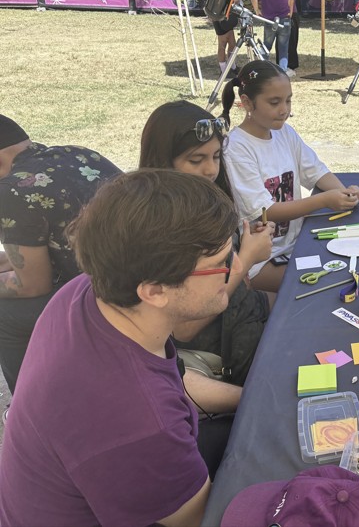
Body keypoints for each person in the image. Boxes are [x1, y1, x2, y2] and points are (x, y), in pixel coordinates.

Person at [0, 170, 245, 525]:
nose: (238, 266)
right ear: (154, 291)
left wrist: (249, 398)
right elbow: (202, 520)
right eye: (221, 263)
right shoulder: (141, 422)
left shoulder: (87, 292)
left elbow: (170, 382)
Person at [139, 101, 274, 385]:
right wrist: (246, 258)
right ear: (163, 161)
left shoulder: (205, 202)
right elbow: (184, 329)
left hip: (245, 316)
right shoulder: (161, 228)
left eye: (216, 156)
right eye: (196, 160)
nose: (211, 169)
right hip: (226, 355)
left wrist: (243, 244)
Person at [221, 60, 359, 293]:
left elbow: (316, 171)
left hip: (295, 245)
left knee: (349, 269)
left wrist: (344, 192)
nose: (284, 110)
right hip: (259, 262)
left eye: (288, 100)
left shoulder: (285, 133)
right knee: (331, 283)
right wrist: (325, 200)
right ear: (247, 102)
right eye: (274, 102)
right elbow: (265, 211)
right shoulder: (236, 149)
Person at [0, 114, 120, 394]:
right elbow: (38, 253)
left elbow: (32, 284)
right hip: (137, 273)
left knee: (5, 314)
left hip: (110, 296)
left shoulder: (11, 190)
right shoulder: (76, 153)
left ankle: (28, 406)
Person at [250, 0, 295, 78]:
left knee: (266, 46)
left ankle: (262, 71)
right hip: (285, 19)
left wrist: (257, 10)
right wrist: (289, 13)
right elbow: (289, 0)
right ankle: (283, 73)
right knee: (283, 48)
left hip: (270, 20)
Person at [203, 0, 240, 78]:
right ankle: (225, 70)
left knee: (230, 43)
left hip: (218, 17)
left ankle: (231, 67)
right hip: (222, 17)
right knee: (225, 44)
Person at [277, 0, 299, 72]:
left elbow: (290, 0)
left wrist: (287, 14)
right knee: (281, 41)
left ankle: (290, 65)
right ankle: (281, 64)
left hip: (289, 14)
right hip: (280, 14)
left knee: (289, 41)